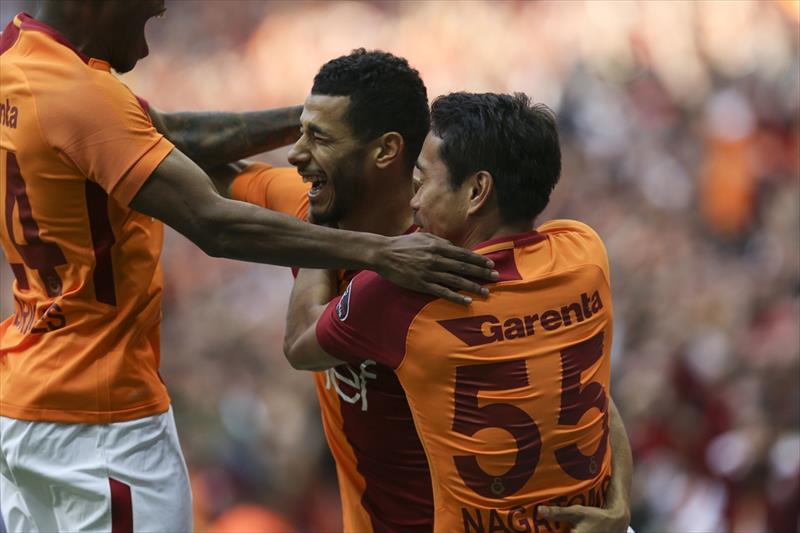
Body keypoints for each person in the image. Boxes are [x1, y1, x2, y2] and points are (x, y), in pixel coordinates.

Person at [0, 4, 495, 532]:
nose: (146, 44)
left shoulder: (16, 56)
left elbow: (160, 135)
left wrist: (332, 115)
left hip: (29, 401)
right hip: (100, 421)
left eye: (318, 138)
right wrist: (376, 251)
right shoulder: (85, 97)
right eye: (147, 12)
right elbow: (213, 221)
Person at [215, 50, 631, 532]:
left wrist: (320, 230)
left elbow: (299, 343)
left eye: (423, 180)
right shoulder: (583, 251)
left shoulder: (403, 293)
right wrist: (622, 501)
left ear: (475, 192)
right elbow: (588, 388)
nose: (414, 199)